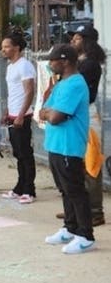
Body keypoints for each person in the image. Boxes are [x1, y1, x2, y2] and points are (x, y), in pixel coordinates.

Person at [40, 44, 95, 254]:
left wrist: (49, 113)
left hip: (68, 146)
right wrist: (48, 112)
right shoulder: (62, 83)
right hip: (55, 145)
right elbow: (44, 108)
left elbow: (54, 117)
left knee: (75, 191)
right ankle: (70, 228)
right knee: (64, 190)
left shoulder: (74, 84)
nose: (50, 64)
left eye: (52, 60)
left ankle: (85, 235)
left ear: (65, 61)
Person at [64, 22, 105, 226]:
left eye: (78, 38)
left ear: (87, 42)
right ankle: (78, 207)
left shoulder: (89, 64)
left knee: (91, 163)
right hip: (78, 115)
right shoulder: (78, 62)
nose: (73, 41)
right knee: (77, 163)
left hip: (87, 115)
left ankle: (95, 211)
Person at [0, 32, 37, 203]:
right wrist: (7, 111)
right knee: (18, 153)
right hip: (13, 115)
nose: (3, 50)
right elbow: (13, 92)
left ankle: (29, 190)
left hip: (22, 116)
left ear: (16, 47)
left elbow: (29, 91)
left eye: (7, 46)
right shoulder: (10, 66)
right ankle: (19, 186)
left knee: (25, 154)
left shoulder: (25, 65)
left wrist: (21, 115)